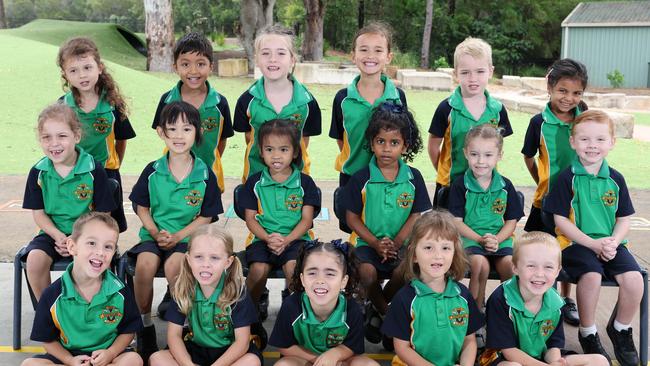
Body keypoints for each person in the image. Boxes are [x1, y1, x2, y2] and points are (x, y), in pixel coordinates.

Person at [545, 110, 643, 366]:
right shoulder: (567, 178)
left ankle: (620, 329)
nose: (592, 146)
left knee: (635, 280)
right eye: (585, 139)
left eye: (600, 139)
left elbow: (624, 218)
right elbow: (560, 220)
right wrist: (592, 243)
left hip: (611, 243)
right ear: (573, 142)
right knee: (592, 276)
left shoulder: (616, 179)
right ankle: (588, 331)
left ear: (612, 143)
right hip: (576, 244)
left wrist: (613, 240)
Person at [129, 101, 223, 361]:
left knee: (176, 267)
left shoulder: (205, 174)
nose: (179, 136)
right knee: (144, 265)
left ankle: (183, 327)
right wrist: (154, 230)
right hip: (154, 235)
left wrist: (180, 236)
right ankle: (145, 325)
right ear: (161, 132)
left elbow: (207, 216)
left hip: (187, 240)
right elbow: (142, 207)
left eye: (186, 129)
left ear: (197, 133)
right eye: (172, 129)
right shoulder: (152, 171)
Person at [341, 102, 431, 344]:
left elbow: (416, 215)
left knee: (410, 269)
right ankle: (387, 315)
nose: (386, 149)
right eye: (380, 141)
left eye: (394, 143)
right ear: (371, 143)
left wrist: (398, 242)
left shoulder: (414, 177)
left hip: (401, 244)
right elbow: (351, 218)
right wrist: (375, 242)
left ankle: (375, 305)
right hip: (366, 243)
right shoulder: (362, 178)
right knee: (367, 273)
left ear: (406, 146)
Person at [21, 212, 143, 366]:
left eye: (108, 247)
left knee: (133, 360)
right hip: (68, 357)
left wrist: (110, 352)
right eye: (92, 243)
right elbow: (47, 340)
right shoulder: (52, 295)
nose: (100, 252)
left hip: (107, 356)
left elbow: (128, 331)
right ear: (72, 246)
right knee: (29, 364)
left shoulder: (120, 291)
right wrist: (69, 360)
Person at [22, 103, 116, 301]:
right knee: (35, 261)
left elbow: (103, 215)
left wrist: (76, 238)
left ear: (77, 136)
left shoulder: (93, 169)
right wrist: (59, 236)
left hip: (87, 234)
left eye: (62, 136)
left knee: (91, 262)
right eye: (46, 137)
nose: (54, 143)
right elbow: (39, 214)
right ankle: (50, 313)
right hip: (52, 234)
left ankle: (85, 308)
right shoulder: (38, 172)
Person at [522, 59, 589, 327]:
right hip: (546, 202)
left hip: (577, 202)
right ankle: (539, 298)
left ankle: (566, 298)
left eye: (576, 93)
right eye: (562, 90)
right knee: (542, 252)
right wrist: (541, 181)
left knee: (569, 249)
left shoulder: (583, 118)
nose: (568, 98)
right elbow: (529, 157)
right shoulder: (538, 122)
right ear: (549, 87)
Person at [480, 231, 609, 366]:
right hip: (505, 358)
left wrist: (555, 362)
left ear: (557, 271)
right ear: (515, 267)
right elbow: (508, 351)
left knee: (599, 361)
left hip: (541, 357)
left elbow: (553, 345)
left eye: (548, 267)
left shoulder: (555, 302)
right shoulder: (501, 299)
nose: (539, 274)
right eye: (531, 266)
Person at [448, 123, 524, 347]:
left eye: (488, 155)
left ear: (499, 155)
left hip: (499, 240)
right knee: (479, 264)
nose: (481, 161)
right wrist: (481, 239)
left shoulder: (505, 186)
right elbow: (456, 222)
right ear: (465, 154)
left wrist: (497, 240)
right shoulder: (460, 184)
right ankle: (475, 318)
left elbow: (512, 221)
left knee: (512, 267)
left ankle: (507, 316)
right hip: (471, 239)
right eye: (474, 154)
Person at [239, 119, 321, 325]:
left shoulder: (304, 182)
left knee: (294, 269)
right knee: (258, 269)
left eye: (283, 149)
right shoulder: (254, 182)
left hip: (296, 240)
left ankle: (298, 317)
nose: (276, 155)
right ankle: (248, 314)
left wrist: (286, 240)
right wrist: (268, 237)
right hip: (262, 239)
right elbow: (250, 219)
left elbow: (306, 220)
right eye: (269, 149)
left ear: (294, 152)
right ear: (261, 151)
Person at [149, 225, 262, 366]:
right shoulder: (183, 288)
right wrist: (188, 364)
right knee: (157, 358)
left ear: (228, 262)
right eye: (198, 257)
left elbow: (242, 342)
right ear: (189, 259)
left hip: (228, 353)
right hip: (195, 350)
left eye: (214, 258)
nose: (206, 264)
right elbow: (174, 336)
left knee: (251, 362)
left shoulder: (237, 291)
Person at [382, 211, 483, 366]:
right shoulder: (405, 299)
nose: (438, 255)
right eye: (428, 247)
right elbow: (401, 348)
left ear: (455, 253)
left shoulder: (463, 295)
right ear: (414, 254)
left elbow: (469, 341)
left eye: (445, 248)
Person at [57, 37, 136, 231]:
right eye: (73, 70)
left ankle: (110, 255)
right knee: (78, 221)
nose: (82, 75)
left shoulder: (112, 104)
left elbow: (121, 139)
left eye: (87, 67)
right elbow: (57, 142)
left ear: (99, 68)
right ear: (65, 75)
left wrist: (115, 164)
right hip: (74, 173)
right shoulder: (63, 106)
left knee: (108, 224)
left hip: (107, 171)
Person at [427, 37, 512, 208]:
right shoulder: (446, 108)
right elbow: (433, 147)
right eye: (465, 72)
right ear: (455, 73)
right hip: (450, 185)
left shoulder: (498, 110)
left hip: (485, 185)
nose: (473, 78)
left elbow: (497, 148)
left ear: (491, 71)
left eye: (480, 71)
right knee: (445, 233)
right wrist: (444, 173)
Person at [234, 24, 321, 183]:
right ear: (257, 59)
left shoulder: (308, 103)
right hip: (256, 179)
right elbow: (249, 139)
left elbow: (303, 142)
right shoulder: (246, 100)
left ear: (292, 59)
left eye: (281, 53)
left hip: (296, 181)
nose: (273, 59)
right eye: (265, 53)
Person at [269, 240, 378, 366]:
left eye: (330, 273)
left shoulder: (351, 308)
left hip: (339, 361)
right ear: (302, 279)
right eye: (312, 273)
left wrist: (335, 354)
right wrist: (318, 360)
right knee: (283, 365)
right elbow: (284, 346)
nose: (320, 280)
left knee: (368, 364)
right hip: (304, 360)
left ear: (344, 281)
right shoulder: (291, 306)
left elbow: (353, 347)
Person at [151, 32, 234, 193]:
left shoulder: (220, 103)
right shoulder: (166, 101)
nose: (193, 71)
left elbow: (221, 140)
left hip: (209, 175)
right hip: (173, 176)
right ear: (175, 67)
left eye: (201, 64)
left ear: (211, 66)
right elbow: (162, 133)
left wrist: (210, 161)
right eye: (185, 64)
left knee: (206, 216)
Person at [329, 21, 407, 188]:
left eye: (378, 50)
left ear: (388, 57)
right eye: (364, 50)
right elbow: (341, 139)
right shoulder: (342, 98)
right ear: (353, 55)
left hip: (388, 177)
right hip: (351, 176)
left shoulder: (398, 97)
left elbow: (403, 136)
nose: (370, 56)